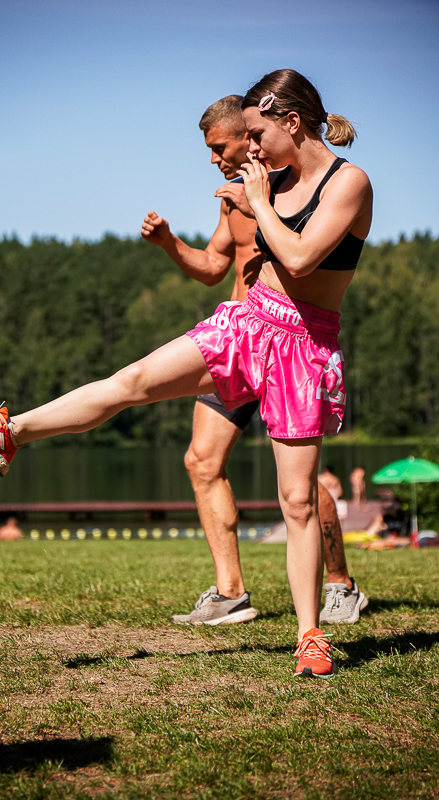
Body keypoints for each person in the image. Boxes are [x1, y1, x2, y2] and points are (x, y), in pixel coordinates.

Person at [0, 69, 373, 679]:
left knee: (296, 499)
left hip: (303, 347)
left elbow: (301, 259)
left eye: (255, 135)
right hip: (249, 321)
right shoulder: (266, 179)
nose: (249, 148)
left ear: (293, 122)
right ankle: (8, 433)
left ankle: (310, 636)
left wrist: (255, 203)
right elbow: (222, 261)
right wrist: (203, 226)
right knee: (133, 381)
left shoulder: (347, 182)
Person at [141, 95, 367, 628]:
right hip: (235, 346)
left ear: (250, 137)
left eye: (221, 147)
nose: (214, 159)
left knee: (298, 485)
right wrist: (170, 243)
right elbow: (212, 266)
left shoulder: (294, 190)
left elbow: (306, 258)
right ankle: (230, 591)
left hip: (289, 348)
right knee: (201, 461)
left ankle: (340, 583)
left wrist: (261, 205)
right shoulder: (232, 199)